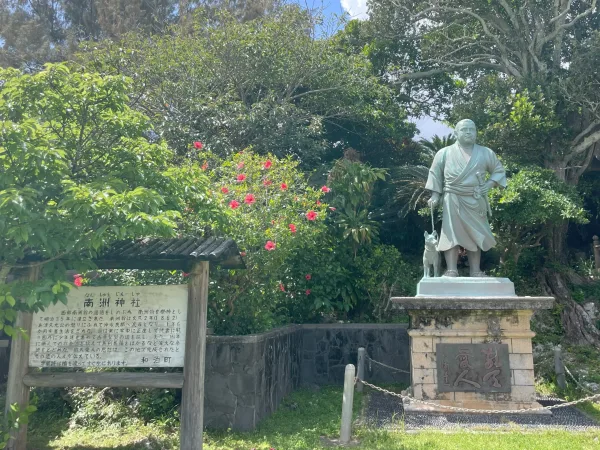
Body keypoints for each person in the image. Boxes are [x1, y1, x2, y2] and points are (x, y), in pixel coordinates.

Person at [426, 119, 506, 277]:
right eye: (464, 129)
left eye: (472, 129)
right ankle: (451, 270)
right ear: (456, 133)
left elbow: (499, 171)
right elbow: (435, 174)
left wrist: (488, 185)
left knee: (475, 234)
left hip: (475, 199)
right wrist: (435, 195)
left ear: (476, 132)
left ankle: (476, 271)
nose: (469, 132)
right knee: (451, 234)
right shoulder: (444, 153)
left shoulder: (485, 152)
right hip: (452, 197)